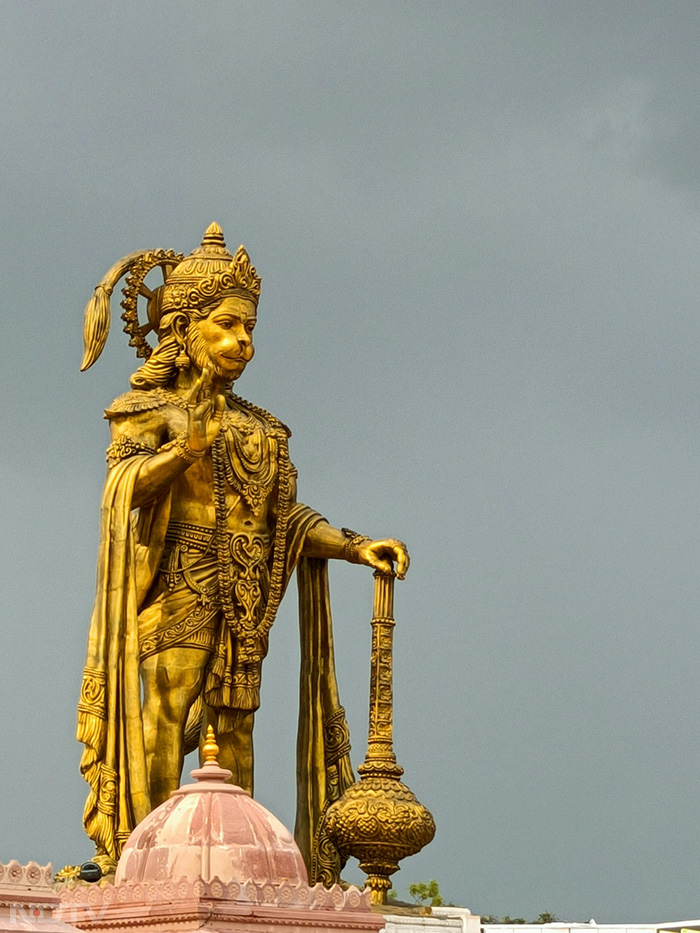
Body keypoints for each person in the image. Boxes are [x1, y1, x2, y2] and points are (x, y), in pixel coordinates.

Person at [76, 223, 409, 881]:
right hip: (176, 591)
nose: (243, 343)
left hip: (245, 606)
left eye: (249, 329)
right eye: (227, 326)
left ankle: (232, 872)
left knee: (234, 741)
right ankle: (137, 866)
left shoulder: (263, 428)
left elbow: (286, 520)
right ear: (185, 327)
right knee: (163, 727)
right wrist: (185, 451)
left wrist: (352, 545)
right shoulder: (147, 407)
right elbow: (125, 489)